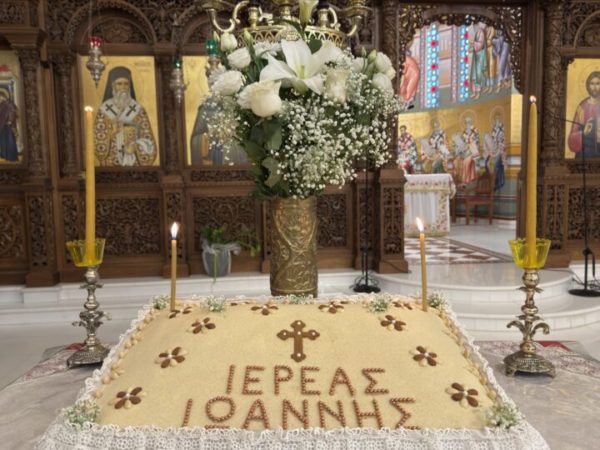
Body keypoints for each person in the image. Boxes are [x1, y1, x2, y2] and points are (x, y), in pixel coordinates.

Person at [94, 66, 157, 166]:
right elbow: (96, 144)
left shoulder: (138, 110)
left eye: (126, 84)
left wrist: (136, 147)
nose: (123, 87)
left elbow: (149, 141)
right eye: (119, 84)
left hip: (134, 167)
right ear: (112, 86)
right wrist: (111, 134)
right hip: (110, 167)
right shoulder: (104, 110)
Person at [567, 71, 600, 158]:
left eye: (598, 84)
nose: (595, 87)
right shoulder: (582, 108)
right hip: (585, 154)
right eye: (592, 84)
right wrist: (583, 133)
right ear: (588, 86)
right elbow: (571, 139)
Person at [469, 23, 488, 100]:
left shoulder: (481, 32)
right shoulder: (477, 33)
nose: (474, 28)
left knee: (478, 74)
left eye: (474, 26)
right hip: (476, 55)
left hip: (480, 55)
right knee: (473, 74)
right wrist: (472, 46)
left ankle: (478, 93)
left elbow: (481, 44)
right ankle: (474, 92)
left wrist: (473, 44)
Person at [0, 87, 19, 162]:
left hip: (8, 126)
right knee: (3, 141)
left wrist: (10, 120)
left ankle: (11, 157)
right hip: (3, 126)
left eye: (0, 97)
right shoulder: (2, 104)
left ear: (3, 96)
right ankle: (4, 155)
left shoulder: (9, 103)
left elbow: (14, 111)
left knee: (9, 141)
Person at [460, 116, 480, 185]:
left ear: (471, 122)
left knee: (467, 163)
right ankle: (468, 180)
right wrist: (464, 147)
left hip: (473, 150)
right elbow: (463, 141)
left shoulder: (474, 129)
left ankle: (466, 180)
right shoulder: (464, 131)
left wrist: (471, 144)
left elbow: (477, 140)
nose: (467, 123)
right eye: (466, 122)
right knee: (465, 163)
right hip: (466, 150)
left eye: (469, 122)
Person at [490, 114, 506, 190]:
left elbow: (502, 140)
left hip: (501, 150)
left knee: (497, 166)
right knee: (498, 166)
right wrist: (493, 150)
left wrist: (499, 149)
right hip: (496, 149)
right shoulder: (494, 129)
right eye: (496, 119)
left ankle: (497, 183)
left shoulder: (501, 128)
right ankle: (499, 183)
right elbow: (493, 140)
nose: (497, 120)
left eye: (498, 119)